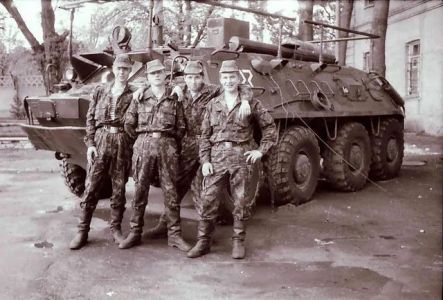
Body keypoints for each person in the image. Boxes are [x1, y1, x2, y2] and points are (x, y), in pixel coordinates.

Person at [141, 60, 252, 239]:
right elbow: (154, 87)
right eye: (189, 77)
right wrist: (141, 89)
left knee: (203, 191)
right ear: (184, 78)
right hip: (184, 147)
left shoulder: (212, 91)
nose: (193, 81)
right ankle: (165, 224)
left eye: (197, 77)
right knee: (175, 188)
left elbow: (240, 87)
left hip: (205, 147)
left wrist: (245, 101)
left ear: (202, 77)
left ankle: (206, 235)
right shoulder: (178, 91)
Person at [187, 60, 277, 259]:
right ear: (221, 79)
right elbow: (204, 135)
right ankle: (203, 242)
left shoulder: (251, 103)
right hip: (217, 158)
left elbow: (269, 128)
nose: (228, 81)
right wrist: (205, 161)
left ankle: (238, 241)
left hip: (241, 157)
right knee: (207, 199)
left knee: (241, 201)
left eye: (232, 77)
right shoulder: (213, 104)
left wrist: (260, 151)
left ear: (238, 78)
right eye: (225, 77)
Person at [119, 59, 190, 251]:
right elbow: (128, 124)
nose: (157, 76)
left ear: (165, 75)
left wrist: (168, 142)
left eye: (160, 72)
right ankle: (135, 232)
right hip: (143, 145)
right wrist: (143, 139)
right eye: (153, 73)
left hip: (167, 147)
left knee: (171, 191)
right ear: (148, 77)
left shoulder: (175, 97)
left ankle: (174, 235)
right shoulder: (140, 97)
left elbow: (181, 126)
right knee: (140, 190)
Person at [70, 53, 135, 250]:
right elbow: (90, 119)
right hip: (101, 140)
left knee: (119, 188)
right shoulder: (100, 90)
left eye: (125, 69)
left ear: (130, 71)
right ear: (113, 70)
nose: (122, 72)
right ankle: (82, 230)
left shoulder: (135, 93)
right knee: (91, 187)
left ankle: (115, 229)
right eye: (119, 68)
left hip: (122, 142)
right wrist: (90, 144)